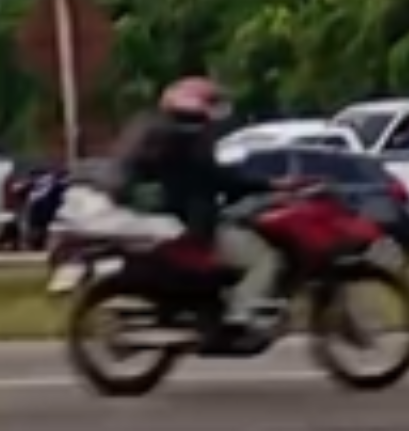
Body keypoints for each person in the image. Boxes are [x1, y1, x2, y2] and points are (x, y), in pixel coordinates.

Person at [110, 75, 282, 330]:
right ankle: (240, 314)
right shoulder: (189, 142)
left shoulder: (158, 137)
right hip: (193, 224)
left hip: (169, 219)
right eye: (210, 103)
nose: (215, 116)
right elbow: (216, 179)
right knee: (264, 259)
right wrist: (266, 185)